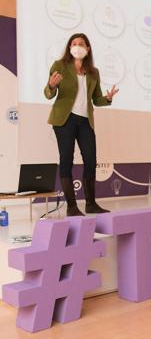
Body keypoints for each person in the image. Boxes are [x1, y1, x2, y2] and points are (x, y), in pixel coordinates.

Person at [44, 33, 119, 216]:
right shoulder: (59, 65)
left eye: (81, 44)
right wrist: (52, 85)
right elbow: (48, 94)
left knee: (91, 161)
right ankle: (71, 207)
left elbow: (96, 99)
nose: (77, 46)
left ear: (88, 48)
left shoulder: (94, 72)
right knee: (67, 160)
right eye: (74, 43)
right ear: (70, 47)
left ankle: (91, 204)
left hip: (85, 120)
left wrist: (107, 98)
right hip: (64, 119)